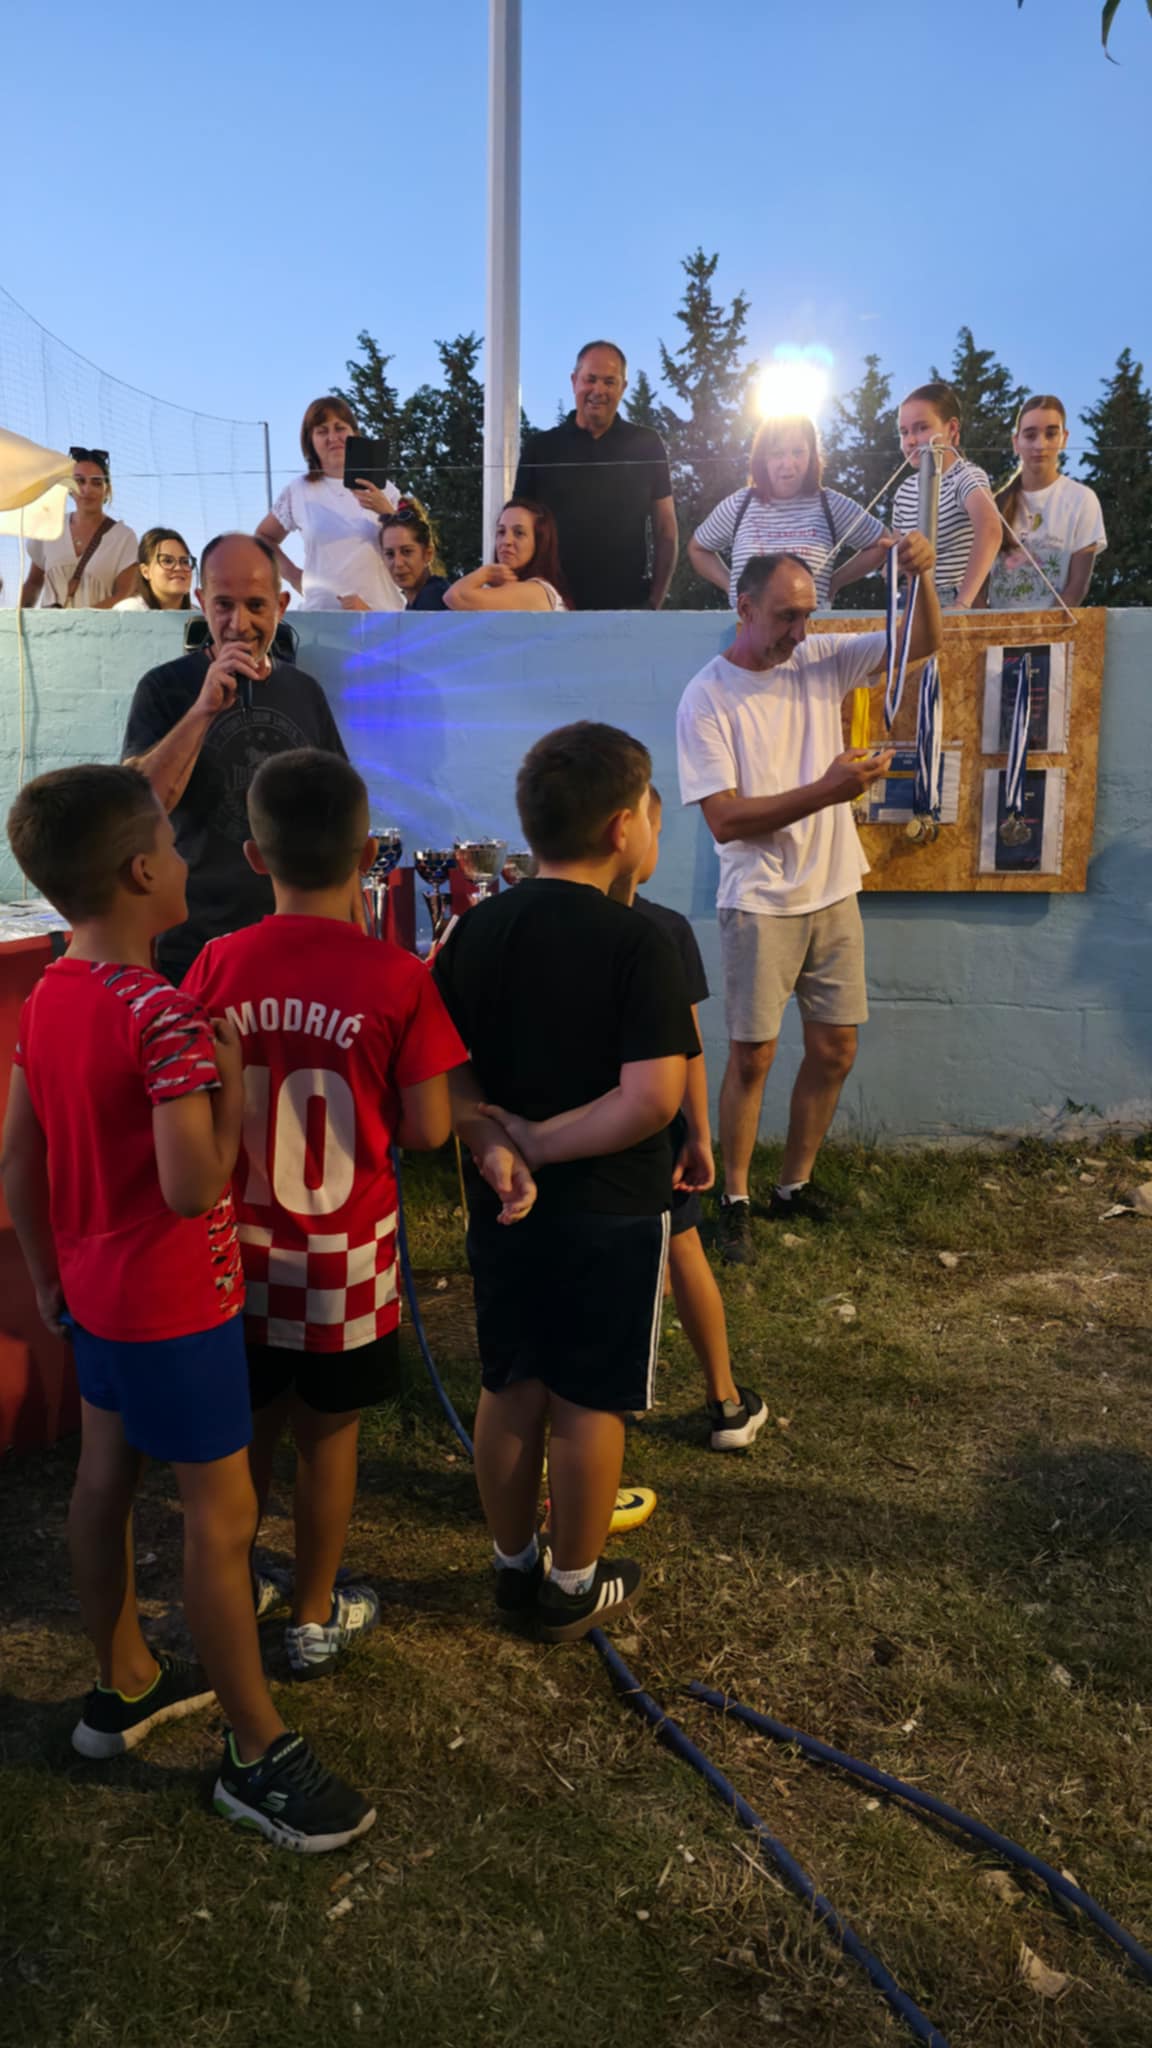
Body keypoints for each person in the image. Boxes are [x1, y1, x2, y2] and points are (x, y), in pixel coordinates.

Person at [1, 763, 373, 1852]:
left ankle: (124, 1680)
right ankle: (257, 1752)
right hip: (177, 1303)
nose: (184, 856)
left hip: (93, 1293)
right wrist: (236, 1085)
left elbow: (19, 1156)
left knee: (102, 1477)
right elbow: (190, 1185)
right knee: (220, 1520)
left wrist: (48, 1273)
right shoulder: (164, 1017)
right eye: (170, 841)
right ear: (139, 872)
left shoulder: (50, 993)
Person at [183, 750, 466, 1674]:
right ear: (367, 855)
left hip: (234, 1254)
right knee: (329, 1438)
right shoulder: (397, 976)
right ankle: (313, 1613)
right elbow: (429, 1130)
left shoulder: (217, 963)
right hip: (344, 1262)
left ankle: (235, 1580)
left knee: (249, 1429)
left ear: (253, 857)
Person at [433, 721, 698, 1640]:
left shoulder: (474, 928)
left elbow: (445, 1067)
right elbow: (653, 1097)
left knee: (511, 1382)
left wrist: (492, 1142)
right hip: (611, 1212)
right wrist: (542, 1146)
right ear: (624, 828)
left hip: (503, 1207)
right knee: (589, 1399)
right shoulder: (640, 943)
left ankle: (513, 1569)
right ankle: (573, 1585)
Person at [676, 537, 941, 1265]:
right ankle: (733, 1199)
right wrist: (828, 790)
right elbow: (725, 819)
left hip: (833, 887)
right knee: (753, 1056)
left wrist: (922, 579)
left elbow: (921, 643)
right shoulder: (707, 696)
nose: (800, 632)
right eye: (786, 617)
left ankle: (793, 1186)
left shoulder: (820, 658)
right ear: (744, 607)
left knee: (835, 1048)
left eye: (808, 615)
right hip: (760, 899)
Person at [121, 533, 347, 984]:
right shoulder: (163, 688)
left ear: (281, 606)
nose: (239, 624)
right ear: (201, 602)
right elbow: (138, 808)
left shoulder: (305, 692)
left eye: (256, 606)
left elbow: (338, 816)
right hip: (195, 950)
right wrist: (202, 710)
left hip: (297, 946)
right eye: (223, 605)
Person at [616, 787, 767, 1450]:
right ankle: (725, 1401)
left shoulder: (535, 925)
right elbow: (688, 1047)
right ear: (629, 834)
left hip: (569, 1137)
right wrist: (700, 1135)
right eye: (657, 829)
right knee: (683, 1249)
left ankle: (597, 1404)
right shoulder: (663, 930)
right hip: (651, 1134)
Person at [514, 342, 678, 610]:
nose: (598, 390)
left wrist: (653, 603)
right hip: (551, 608)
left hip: (627, 608)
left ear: (623, 387)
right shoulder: (540, 447)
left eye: (609, 382)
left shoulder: (647, 444)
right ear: (574, 381)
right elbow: (516, 528)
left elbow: (666, 529)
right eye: (590, 379)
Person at [688, 417, 888, 610]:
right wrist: (731, 586)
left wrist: (835, 582)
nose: (789, 464)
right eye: (777, 453)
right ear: (763, 459)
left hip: (809, 631)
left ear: (811, 456)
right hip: (747, 631)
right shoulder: (740, 504)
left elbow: (883, 543)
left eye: (798, 452)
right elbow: (698, 549)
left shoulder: (831, 505)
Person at [854, 384, 1000, 609]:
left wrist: (962, 603)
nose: (910, 440)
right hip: (908, 599)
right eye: (904, 432)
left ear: (952, 429)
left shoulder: (965, 476)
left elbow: (990, 530)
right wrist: (893, 563)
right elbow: (896, 554)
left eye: (922, 428)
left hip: (950, 599)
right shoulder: (904, 491)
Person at [256, 396, 404, 612]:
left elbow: (413, 546)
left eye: (340, 428)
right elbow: (263, 537)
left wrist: (388, 512)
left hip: (381, 617)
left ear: (354, 434)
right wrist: (295, 577)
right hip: (321, 618)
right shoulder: (298, 490)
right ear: (310, 441)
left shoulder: (384, 489)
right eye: (322, 431)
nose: (333, 438)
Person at [985, 396, 1107, 611]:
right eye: (1030, 435)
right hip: (997, 629)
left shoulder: (1082, 500)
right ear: (1016, 442)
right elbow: (977, 586)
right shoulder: (994, 505)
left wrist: (1045, 627)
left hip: (1054, 629)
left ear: (1064, 438)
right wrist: (989, 628)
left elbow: (1077, 587)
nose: (1040, 445)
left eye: (1051, 434)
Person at [20, 447, 138, 611]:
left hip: (103, 627)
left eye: (96, 482)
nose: (87, 489)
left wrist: (80, 622)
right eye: (79, 481)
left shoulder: (124, 537)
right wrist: (13, 622)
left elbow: (125, 596)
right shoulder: (49, 527)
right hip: (49, 626)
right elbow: (33, 584)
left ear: (107, 490)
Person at [444, 499, 571, 613]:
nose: (506, 541)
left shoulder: (536, 592)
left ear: (539, 543)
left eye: (519, 533)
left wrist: (486, 573)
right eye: (501, 532)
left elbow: (455, 596)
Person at [380, 500, 452, 610]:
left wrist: (365, 616)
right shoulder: (416, 601)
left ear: (428, 554)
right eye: (390, 554)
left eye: (407, 552)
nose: (398, 563)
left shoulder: (433, 597)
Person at [113, 528, 196, 612]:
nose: (178, 567)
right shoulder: (128, 611)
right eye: (167, 561)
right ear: (145, 571)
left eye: (185, 561)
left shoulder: (200, 615)